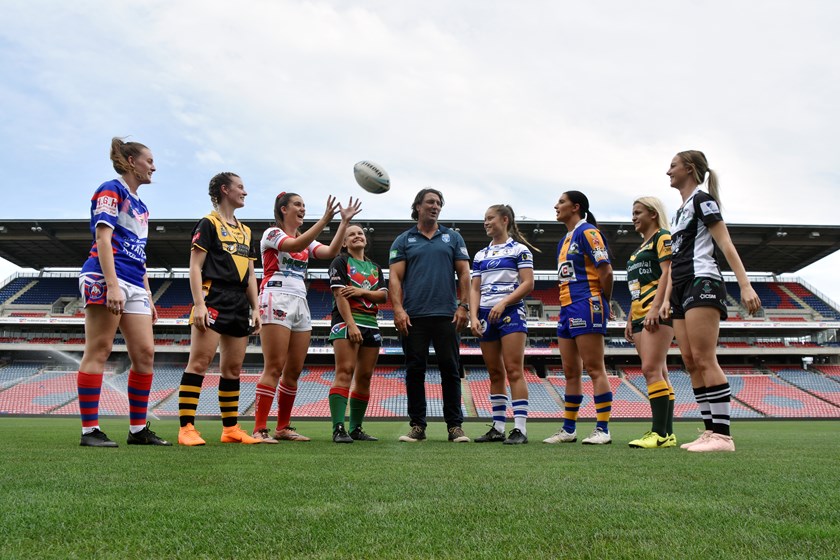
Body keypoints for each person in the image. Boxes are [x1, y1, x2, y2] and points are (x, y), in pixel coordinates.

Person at [660, 150, 761, 452]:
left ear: (689, 169)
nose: (668, 172)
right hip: (680, 289)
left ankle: (723, 436)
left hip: (702, 280)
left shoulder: (703, 201)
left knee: (705, 358)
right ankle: (709, 431)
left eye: (673, 166)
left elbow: (725, 242)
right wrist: (666, 298)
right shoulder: (679, 212)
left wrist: (745, 285)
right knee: (690, 362)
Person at [77, 137, 169, 447]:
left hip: (134, 281)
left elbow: (139, 253)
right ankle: (89, 431)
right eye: (149, 160)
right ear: (131, 161)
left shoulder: (142, 205)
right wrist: (112, 284)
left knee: (145, 354)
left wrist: (148, 295)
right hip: (105, 277)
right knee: (99, 350)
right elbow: (104, 240)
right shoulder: (110, 189)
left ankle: (138, 430)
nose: (153, 166)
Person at [251, 193, 361, 442]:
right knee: (275, 366)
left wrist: (343, 222)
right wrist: (324, 219)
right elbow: (294, 246)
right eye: (297, 205)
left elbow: (331, 251)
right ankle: (259, 429)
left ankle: (283, 427)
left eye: (304, 205)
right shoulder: (272, 234)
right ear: (283, 209)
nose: (302, 209)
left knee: (294, 370)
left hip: (300, 299)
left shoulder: (304, 240)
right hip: (276, 296)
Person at [176, 172, 262, 446]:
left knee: (233, 369)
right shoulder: (208, 223)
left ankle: (230, 429)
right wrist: (199, 304)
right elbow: (194, 267)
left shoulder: (246, 231)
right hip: (212, 297)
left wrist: (256, 308)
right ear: (225, 190)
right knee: (199, 363)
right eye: (240, 187)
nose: (244, 192)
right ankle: (186, 428)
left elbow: (250, 275)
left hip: (238, 301)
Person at [389, 188, 471, 443]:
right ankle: (417, 426)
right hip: (414, 315)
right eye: (430, 202)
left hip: (447, 314)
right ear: (418, 206)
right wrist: (399, 309)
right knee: (415, 370)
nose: (435, 206)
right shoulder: (403, 240)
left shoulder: (452, 237)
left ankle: (454, 427)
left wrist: (463, 306)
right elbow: (395, 277)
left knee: (450, 369)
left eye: (438, 203)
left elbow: (465, 274)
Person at [543, 191, 614, 445]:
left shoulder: (588, 232)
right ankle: (568, 429)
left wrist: (602, 301)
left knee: (595, 368)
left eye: (560, 202)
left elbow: (606, 271)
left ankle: (603, 429)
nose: (556, 205)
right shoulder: (565, 239)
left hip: (587, 303)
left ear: (576, 207)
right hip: (566, 307)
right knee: (570, 371)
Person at [470, 205, 537, 445]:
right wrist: (474, 316)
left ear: (504, 220)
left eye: (490, 218)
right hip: (486, 316)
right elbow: (475, 288)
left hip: (511, 313)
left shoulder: (520, 250)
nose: (486, 223)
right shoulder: (480, 255)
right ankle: (498, 427)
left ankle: (520, 429)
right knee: (494, 372)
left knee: (514, 370)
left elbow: (528, 283)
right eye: (484, 219)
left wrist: (504, 302)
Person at [327, 224, 388, 443]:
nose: (356, 236)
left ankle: (356, 428)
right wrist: (351, 324)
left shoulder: (375, 267)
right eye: (351, 234)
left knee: (365, 376)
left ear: (365, 239)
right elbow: (340, 295)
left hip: (371, 323)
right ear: (344, 242)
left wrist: (361, 291)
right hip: (346, 322)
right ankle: (338, 428)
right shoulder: (340, 262)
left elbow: (382, 297)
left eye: (360, 233)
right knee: (345, 371)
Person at [624, 197, 677, 448]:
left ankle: (659, 433)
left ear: (653, 214)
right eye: (632, 213)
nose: (633, 217)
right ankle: (667, 434)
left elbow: (669, 272)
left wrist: (656, 307)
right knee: (660, 371)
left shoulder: (662, 237)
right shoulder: (637, 251)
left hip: (655, 312)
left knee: (650, 370)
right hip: (638, 315)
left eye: (638, 212)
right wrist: (629, 318)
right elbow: (636, 287)